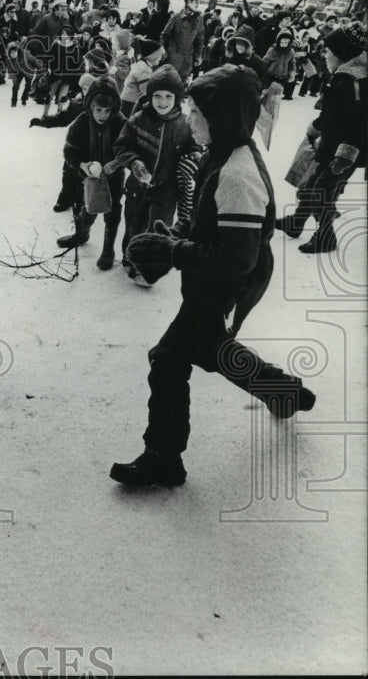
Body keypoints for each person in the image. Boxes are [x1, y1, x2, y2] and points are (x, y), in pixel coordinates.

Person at [112, 64, 316, 487]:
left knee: (166, 361)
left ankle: (164, 458)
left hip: (224, 284)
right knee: (212, 350)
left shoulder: (239, 174)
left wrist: (176, 252)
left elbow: (236, 257)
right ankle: (285, 393)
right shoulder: (220, 153)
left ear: (221, 118)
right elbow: (210, 224)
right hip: (211, 279)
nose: (189, 118)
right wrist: (179, 235)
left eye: (197, 112)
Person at [276, 23, 367, 253]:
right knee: (311, 186)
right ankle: (296, 223)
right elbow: (333, 113)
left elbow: (358, 123)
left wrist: (345, 158)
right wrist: (317, 127)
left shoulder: (353, 82)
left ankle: (326, 237)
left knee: (321, 191)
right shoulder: (343, 76)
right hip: (331, 143)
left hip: (346, 151)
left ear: (341, 55)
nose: (325, 56)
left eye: (328, 52)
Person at [111, 65, 194, 285]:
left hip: (167, 190)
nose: (162, 101)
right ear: (150, 96)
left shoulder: (184, 125)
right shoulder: (139, 119)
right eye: (157, 95)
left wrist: (193, 159)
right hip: (137, 187)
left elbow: (193, 149)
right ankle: (130, 258)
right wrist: (134, 162)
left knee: (158, 230)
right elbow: (121, 146)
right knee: (133, 225)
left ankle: (148, 270)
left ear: (177, 97)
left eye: (168, 96)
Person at [55, 77, 127, 271]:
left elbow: (129, 149)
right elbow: (70, 150)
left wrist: (116, 164)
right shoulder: (81, 123)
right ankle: (82, 233)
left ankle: (108, 248)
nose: (102, 115)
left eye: (107, 110)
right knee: (88, 207)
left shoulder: (121, 123)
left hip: (114, 175)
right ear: (90, 107)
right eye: (98, 110)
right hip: (90, 176)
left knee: (112, 210)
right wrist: (81, 165)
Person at [161, 0, 205, 84]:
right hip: (174, 57)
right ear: (188, 3)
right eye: (194, 2)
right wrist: (164, 51)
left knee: (182, 83)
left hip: (187, 58)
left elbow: (199, 38)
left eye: (198, 2)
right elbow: (164, 35)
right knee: (170, 82)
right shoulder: (176, 18)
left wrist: (198, 55)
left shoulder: (199, 19)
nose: (197, 5)